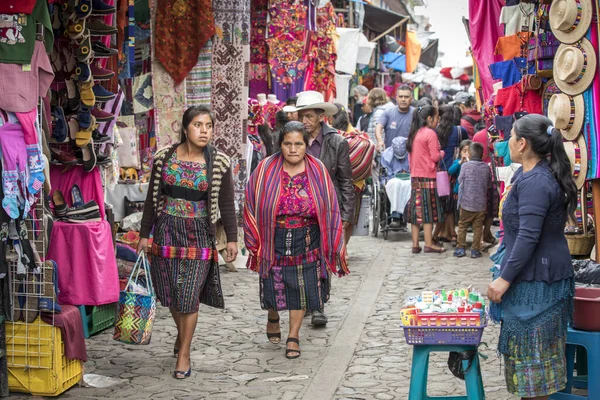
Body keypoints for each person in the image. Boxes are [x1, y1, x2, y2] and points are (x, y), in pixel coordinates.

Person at [138, 105, 238, 379]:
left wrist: (232, 238)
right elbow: (151, 201)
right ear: (184, 129)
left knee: (189, 294)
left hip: (199, 233)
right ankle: (182, 336)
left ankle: (184, 353)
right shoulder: (163, 158)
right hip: (167, 230)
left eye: (208, 125)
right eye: (197, 125)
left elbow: (227, 204)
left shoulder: (219, 162)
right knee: (171, 292)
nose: (204, 130)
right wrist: (144, 235)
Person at [487, 114, 577, 400]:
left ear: (522, 143)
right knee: (530, 367)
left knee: (535, 369)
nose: (507, 142)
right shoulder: (526, 175)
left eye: (511, 136)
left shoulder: (536, 181)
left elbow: (528, 236)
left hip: (539, 280)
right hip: (533, 276)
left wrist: (504, 279)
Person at [243, 121, 349, 359]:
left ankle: (293, 336)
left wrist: (335, 242)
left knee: (302, 287)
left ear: (306, 145)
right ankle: (273, 314)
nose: (293, 149)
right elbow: (250, 201)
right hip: (273, 237)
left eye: (298, 144)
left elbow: (330, 206)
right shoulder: (265, 169)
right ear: (280, 145)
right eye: (287, 144)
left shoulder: (318, 169)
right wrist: (254, 238)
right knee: (272, 282)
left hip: (307, 237)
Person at [292, 91, 354, 327]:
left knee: (321, 256)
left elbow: (345, 180)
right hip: (298, 207)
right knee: (300, 254)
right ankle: (305, 301)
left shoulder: (336, 142)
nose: (304, 120)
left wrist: (347, 215)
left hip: (326, 207)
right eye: (301, 115)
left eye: (308, 116)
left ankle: (318, 305)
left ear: (321, 116)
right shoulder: (294, 138)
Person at [331, 103, 375, 244]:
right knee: (348, 218)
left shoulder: (330, 134)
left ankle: (339, 248)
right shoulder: (357, 133)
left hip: (334, 183)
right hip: (355, 183)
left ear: (331, 117)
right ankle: (345, 248)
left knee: (334, 217)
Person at [406, 101, 445, 254]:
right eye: (436, 118)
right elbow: (435, 157)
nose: (438, 121)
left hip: (415, 176)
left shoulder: (414, 133)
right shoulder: (430, 134)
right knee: (428, 211)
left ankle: (415, 244)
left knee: (416, 211)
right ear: (429, 119)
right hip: (428, 177)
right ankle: (429, 243)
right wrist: (442, 153)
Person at [432, 105, 469, 245]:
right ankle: (451, 233)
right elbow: (466, 146)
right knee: (451, 205)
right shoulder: (461, 131)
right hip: (456, 171)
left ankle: (447, 233)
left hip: (440, 173)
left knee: (444, 205)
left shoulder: (434, 132)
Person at [453, 142, 491, 259]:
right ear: (482, 155)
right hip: (480, 204)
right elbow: (489, 183)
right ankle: (475, 250)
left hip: (466, 203)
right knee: (478, 227)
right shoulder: (486, 167)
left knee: (463, 225)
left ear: (469, 153)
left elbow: (460, 180)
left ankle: (460, 248)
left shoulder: (465, 166)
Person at [473, 128, 499, 246]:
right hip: (490, 174)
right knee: (490, 206)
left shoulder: (479, 135)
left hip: (487, 175)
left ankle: (485, 234)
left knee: (490, 206)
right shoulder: (480, 136)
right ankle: (483, 235)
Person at [375, 85, 414, 152]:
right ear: (396, 98)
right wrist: (380, 141)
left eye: (406, 97)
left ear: (411, 99)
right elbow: (379, 127)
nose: (403, 99)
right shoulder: (388, 112)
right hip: (390, 155)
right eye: (400, 96)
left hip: (409, 155)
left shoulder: (415, 114)